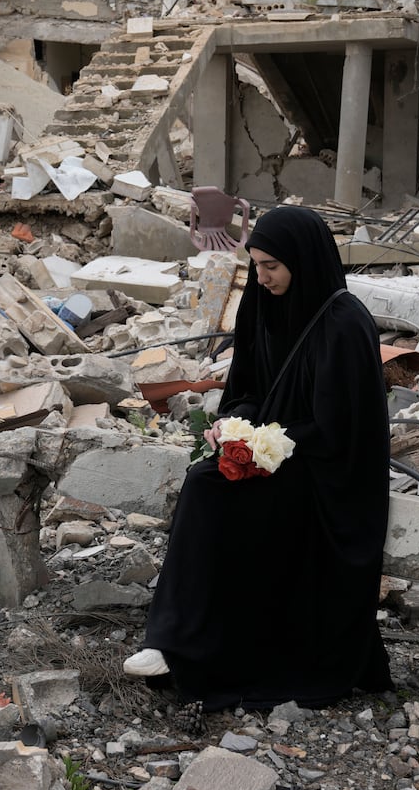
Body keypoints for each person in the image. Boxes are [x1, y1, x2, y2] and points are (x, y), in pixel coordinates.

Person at [123, 205, 393, 710]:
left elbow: (345, 430)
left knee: (212, 492)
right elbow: (247, 386)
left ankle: (182, 639)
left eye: (272, 266)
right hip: (272, 451)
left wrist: (274, 443)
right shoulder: (263, 305)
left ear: (302, 260)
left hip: (326, 474)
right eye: (257, 265)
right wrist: (235, 427)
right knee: (206, 480)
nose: (263, 277)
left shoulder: (344, 322)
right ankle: (174, 639)